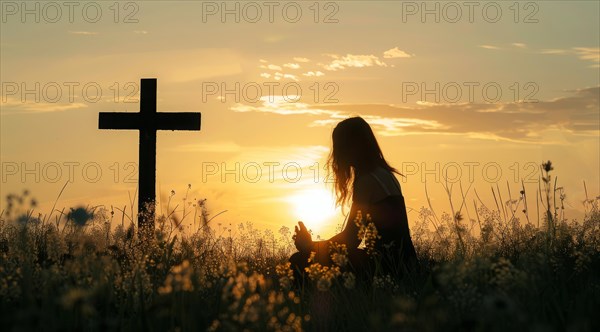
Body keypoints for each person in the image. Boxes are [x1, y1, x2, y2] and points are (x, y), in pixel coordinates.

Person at [290, 116, 418, 284]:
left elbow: (351, 239)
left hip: (386, 269)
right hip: (405, 265)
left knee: (299, 261)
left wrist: (311, 247)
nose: (337, 154)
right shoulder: (386, 175)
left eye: (340, 146)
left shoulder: (367, 181)